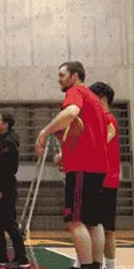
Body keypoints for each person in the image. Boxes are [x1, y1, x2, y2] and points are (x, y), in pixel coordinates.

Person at [34, 61, 108, 269]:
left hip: (82, 168)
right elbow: (86, 136)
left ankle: (85, 267)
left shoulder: (76, 92)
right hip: (97, 167)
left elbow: (70, 112)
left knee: (75, 221)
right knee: (93, 221)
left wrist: (44, 132)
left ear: (74, 76)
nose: (58, 79)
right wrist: (65, 156)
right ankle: (95, 265)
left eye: (62, 75)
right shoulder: (94, 99)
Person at [68, 82, 119, 269]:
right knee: (86, 223)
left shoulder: (108, 119)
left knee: (107, 229)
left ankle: (111, 266)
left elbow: (98, 143)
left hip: (106, 181)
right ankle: (82, 260)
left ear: (102, 99)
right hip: (94, 179)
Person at [0, 113, 29, 268]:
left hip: (4, 189)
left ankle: (22, 258)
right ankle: (2, 256)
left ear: (4, 124)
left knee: (9, 224)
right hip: (0, 188)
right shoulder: (1, 141)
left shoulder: (8, 143)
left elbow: (6, 168)